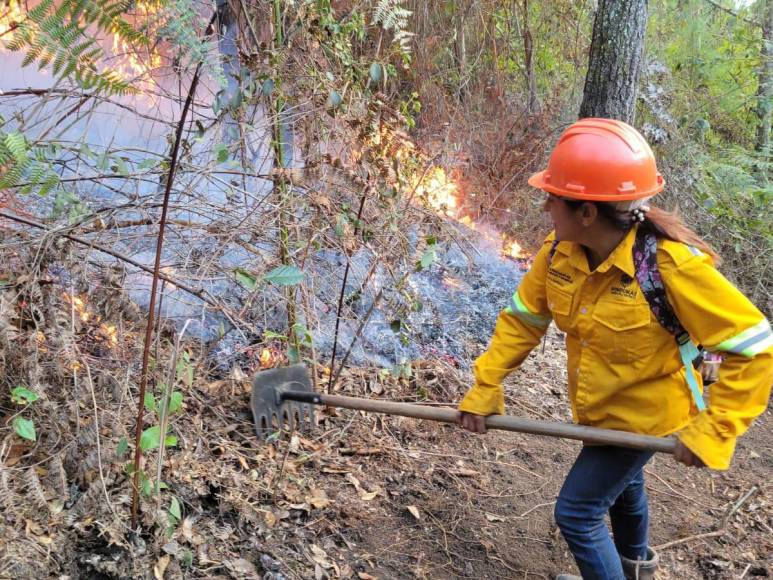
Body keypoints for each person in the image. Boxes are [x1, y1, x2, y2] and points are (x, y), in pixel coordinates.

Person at [456, 118, 773, 580]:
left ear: (586, 213)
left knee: (577, 514)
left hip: (646, 415)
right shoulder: (557, 253)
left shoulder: (669, 266)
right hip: (599, 409)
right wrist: (487, 383)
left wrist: (716, 428)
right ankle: (635, 566)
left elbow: (756, 345)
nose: (545, 206)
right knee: (624, 489)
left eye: (553, 198)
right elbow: (523, 320)